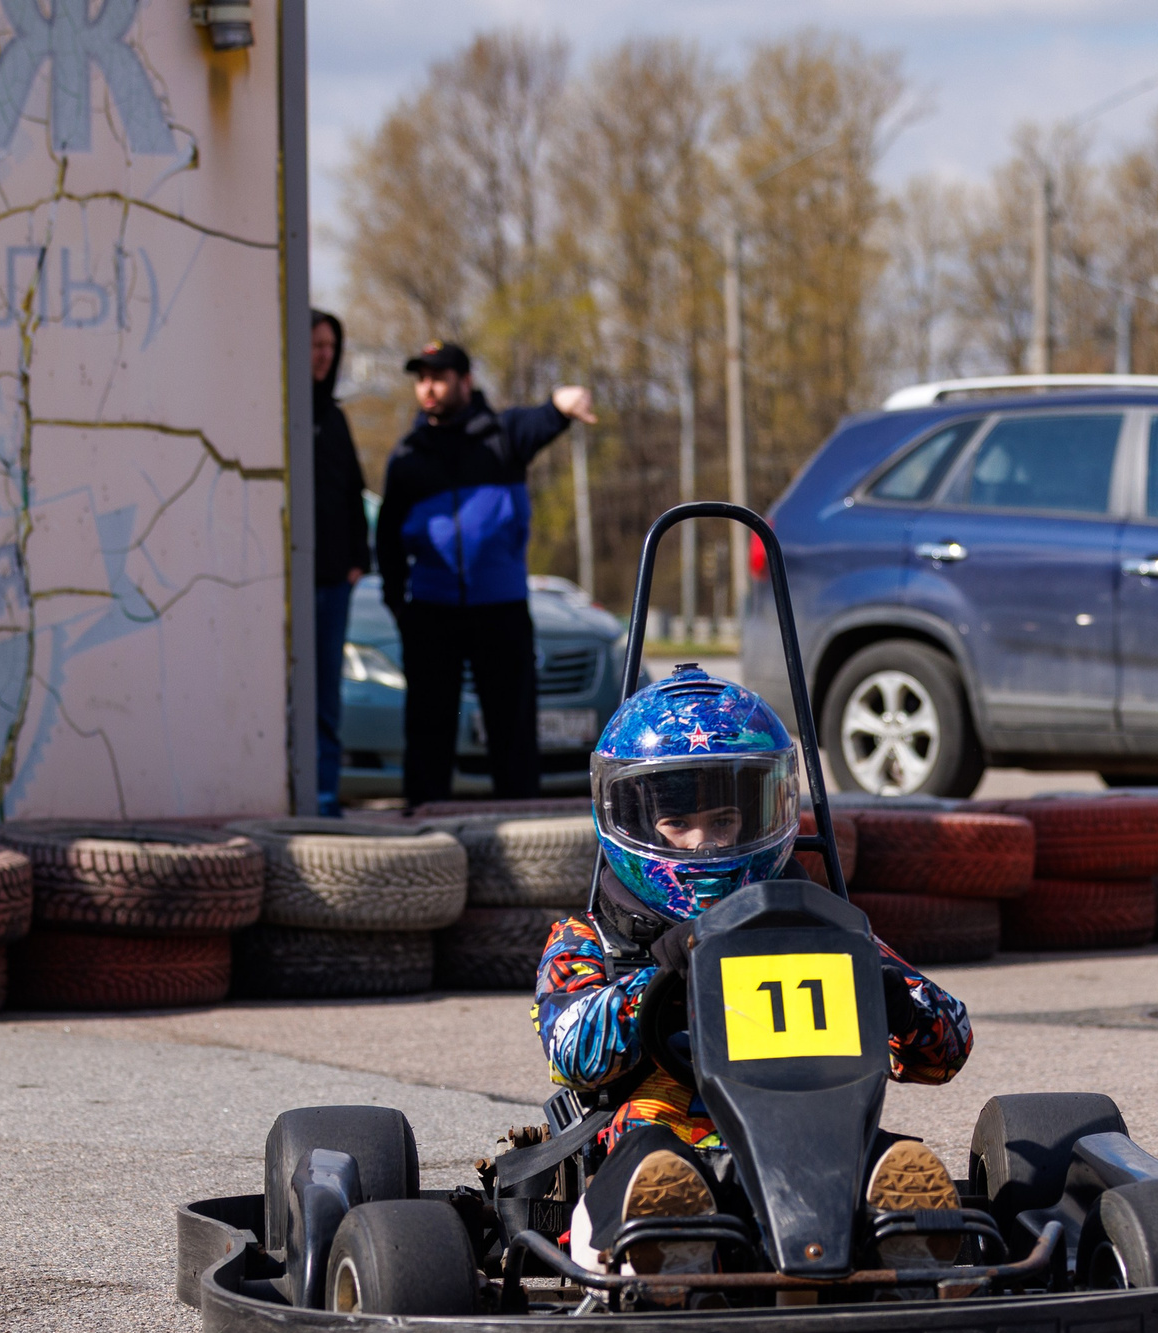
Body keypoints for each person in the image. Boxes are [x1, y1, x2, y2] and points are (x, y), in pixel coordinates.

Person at [532, 665, 972, 1276]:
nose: (703, 846)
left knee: (878, 1159)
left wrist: (891, 997)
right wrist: (661, 977)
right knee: (654, 1167)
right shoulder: (590, 940)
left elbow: (947, 1048)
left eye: (723, 823)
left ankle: (906, 1238)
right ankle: (668, 1248)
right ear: (631, 820)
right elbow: (573, 1052)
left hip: (812, 1142)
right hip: (659, 1139)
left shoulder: (817, 928)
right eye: (678, 825)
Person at [373, 340, 597, 808]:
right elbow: (389, 540)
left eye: (438, 376)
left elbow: (544, 417)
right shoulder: (409, 456)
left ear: (465, 381)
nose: (428, 387)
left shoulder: (503, 435)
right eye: (421, 378)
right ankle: (426, 819)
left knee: (511, 725)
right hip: (432, 610)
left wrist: (564, 403)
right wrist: (400, 605)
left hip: (501, 608)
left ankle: (521, 819)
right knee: (429, 725)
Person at [308, 309, 368, 817]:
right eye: (313, 345)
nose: (323, 354)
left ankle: (324, 799)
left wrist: (356, 561)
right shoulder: (277, 413)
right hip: (282, 583)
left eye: (330, 345)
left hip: (331, 582)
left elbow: (352, 492)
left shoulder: (333, 418)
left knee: (325, 696)